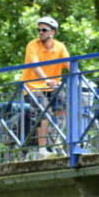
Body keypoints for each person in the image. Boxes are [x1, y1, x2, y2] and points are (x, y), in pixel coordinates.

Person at [22, 15, 70, 157]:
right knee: (44, 112)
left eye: (44, 30)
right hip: (33, 87)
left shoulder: (60, 47)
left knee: (63, 107)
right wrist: (47, 79)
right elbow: (35, 65)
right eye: (39, 30)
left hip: (52, 87)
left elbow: (70, 64)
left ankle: (55, 138)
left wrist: (79, 76)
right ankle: (42, 149)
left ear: (52, 32)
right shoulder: (33, 45)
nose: (40, 32)